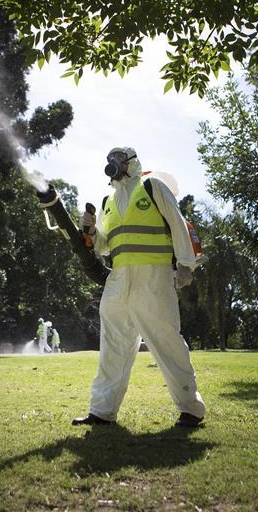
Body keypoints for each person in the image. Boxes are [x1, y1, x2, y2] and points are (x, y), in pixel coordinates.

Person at [73, 147, 205, 428]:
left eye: (119, 158)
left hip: (153, 277)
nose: (114, 163)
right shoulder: (108, 201)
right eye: (111, 158)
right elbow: (105, 244)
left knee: (165, 339)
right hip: (119, 279)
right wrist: (92, 231)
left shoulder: (151, 186)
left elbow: (177, 222)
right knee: (113, 344)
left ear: (131, 163)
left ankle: (191, 408)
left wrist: (185, 264)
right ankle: (102, 410)